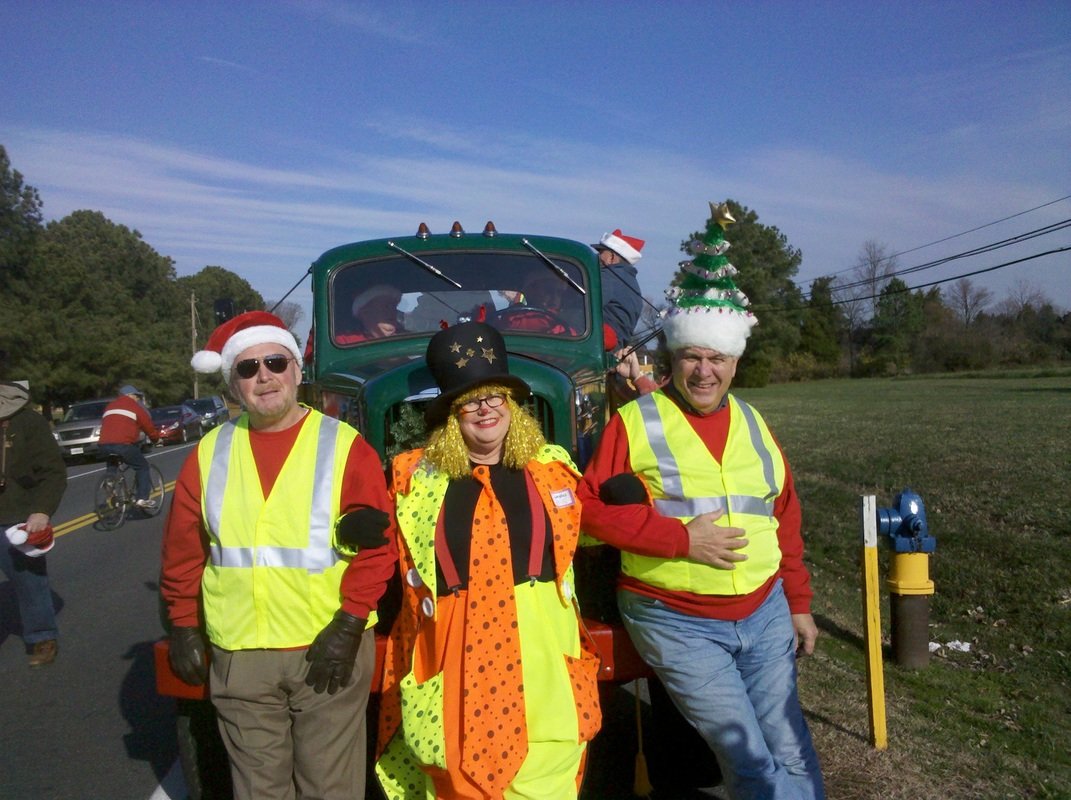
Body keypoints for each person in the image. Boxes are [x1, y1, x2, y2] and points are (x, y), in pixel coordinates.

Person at [577, 204, 825, 800]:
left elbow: (782, 514)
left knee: (791, 746)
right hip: (675, 616)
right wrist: (684, 539)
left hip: (764, 613)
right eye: (692, 356)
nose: (704, 370)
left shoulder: (755, 422)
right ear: (673, 357)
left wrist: (798, 601)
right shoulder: (635, 422)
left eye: (717, 358)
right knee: (749, 758)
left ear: (736, 361)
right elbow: (587, 510)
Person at [161, 310, 397, 800]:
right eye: (247, 369)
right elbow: (184, 552)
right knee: (257, 791)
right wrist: (183, 624)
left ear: (296, 370)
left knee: (330, 789)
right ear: (233, 385)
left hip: (328, 651)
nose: (263, 376)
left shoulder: (345, 446)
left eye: (274, 361)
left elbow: (378, 548)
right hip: (241, 657)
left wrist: (350, 624)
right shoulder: (207, 454)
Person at [376, 320, 602, 800]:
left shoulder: (552, 467)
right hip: (457, 648)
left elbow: (596, 521)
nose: (484, 408)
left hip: (543, 648)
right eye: (468, 401)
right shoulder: (415, 477)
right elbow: (378, 537)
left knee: (547, 771)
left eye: (495, 395)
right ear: (451, 416)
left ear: (512, 406)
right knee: (456, 774)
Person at [0, 376, 67, 668]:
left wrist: (41, 510)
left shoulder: (26, 421)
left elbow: (53, 471)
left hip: (16, 516)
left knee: (29, 582)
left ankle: (42, 637)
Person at [98, 384, 159, 507]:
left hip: (103, 444)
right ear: (129, 395)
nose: (138, 399)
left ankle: (109, 481)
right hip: (123, 444)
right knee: (142, 467)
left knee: (112, 460)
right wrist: (155, 439)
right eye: (136, 396)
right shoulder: (134, 407)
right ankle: (142, 498)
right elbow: (147, 425)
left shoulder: (109, 406)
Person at [592, 228, 645, 351]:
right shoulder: (632, 284)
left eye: (601, 252)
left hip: (598, 348)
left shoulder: (608, 277)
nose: (597, 256)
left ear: (612, 257)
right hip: (614, 351)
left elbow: (580, 304)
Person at [336, 284, 404, 343]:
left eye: (394, 306)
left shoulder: (405, 337)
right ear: (365, 312)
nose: (393, 311)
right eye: (386, 306)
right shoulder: (344, 342)